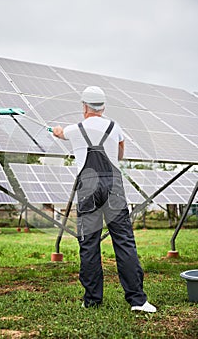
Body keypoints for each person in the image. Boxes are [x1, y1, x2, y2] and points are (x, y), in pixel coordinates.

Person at [53, 86, 156, 312]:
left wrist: (57, 130)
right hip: (114, 188)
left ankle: (92, 300)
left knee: (89, 243)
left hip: (88, 188)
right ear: (103, 107)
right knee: (124, 240)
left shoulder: (75, 129)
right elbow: (119, 155)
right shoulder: (115, 127)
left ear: (84, 106)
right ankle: (138, 301)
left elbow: (59, 133)